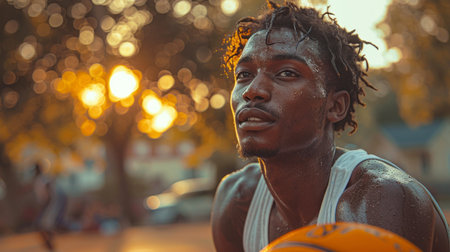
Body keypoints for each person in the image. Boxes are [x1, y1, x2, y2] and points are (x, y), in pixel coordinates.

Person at [210, 1, 450, 252]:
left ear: (335, 106)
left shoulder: (380, 199)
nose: (252, 91)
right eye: (244, 75)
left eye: (286, 73)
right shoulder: (236, 201)